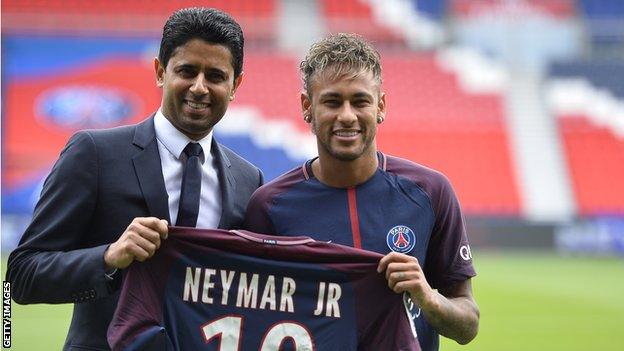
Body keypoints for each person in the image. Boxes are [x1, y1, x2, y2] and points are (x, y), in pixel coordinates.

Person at [6, 7, 263, 350]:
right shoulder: (94, 154)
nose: (200, 88)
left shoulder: (249, 181)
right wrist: (108, 257)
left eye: (215, 76)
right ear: (160, 71)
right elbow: (21, 276)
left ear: (236, 84)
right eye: (187, 71)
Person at [245, 33, 479, 350]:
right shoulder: (269, 206)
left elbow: (467, 326)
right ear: (307, 106)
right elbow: (252, 320)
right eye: (332, 101)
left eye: (360, 101)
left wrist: (427, 297)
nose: (346, 115)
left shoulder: (431, 192)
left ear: (380, 106)